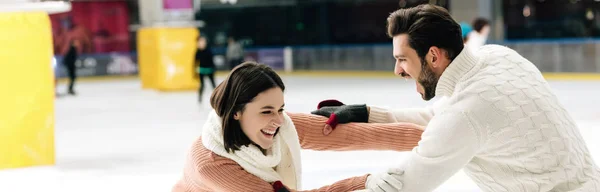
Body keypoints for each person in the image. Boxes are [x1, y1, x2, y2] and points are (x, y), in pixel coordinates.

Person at [311, 4, 600, 192]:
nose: (397, 70)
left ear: (433, 56)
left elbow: (403, 184)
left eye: (402, 59)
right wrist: (366, 113)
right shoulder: (497, 56)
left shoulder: (466, 114)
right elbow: (443, 117)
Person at [172, 62, 425, 192]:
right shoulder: (212, 164)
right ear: (236, 112)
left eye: (280, 109)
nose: (279, 120)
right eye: (266, 111)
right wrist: (363, 182)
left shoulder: (282, 127)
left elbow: (357, 136)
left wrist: (439, 138)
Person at [194, 36, 216, 102]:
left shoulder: (208, 50)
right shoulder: (198, 51)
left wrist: (213, 68)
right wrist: (194, 70)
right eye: (200, 42)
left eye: (203, 42)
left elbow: (212, 60)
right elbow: (195, 61)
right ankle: (200, 99)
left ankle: (217, 98)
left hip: (209, 69)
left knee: (213, 85)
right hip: (202, 69)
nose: (202, 43)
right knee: (202, 85)